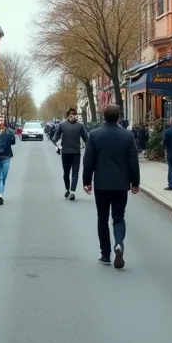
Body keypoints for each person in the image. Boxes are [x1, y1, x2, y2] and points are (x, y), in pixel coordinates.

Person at [83, 104, 140, 269]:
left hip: (101, 183)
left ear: (103, 116)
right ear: (119, 117)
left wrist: (87, 181)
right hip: (121, 184)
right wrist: (135, 183)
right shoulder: (127, 136)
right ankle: (119, 243)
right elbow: (133, 162)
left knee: (102, 217)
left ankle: (105, 254)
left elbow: (88, 161)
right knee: (119, 217)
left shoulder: (94, 135)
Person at [50, 108, 89, 200]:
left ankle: (72, 191)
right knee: (66, 173)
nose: (73, 117)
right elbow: (55, 138)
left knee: (75, 172)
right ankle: (67, 189)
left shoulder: (80, 126)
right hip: (65, 152)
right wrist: (58, 146)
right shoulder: (62, 125)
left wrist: (89, 149)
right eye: (71, 115)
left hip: (76, 152)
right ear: (68, 116)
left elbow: (86, 139)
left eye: (74, 115)